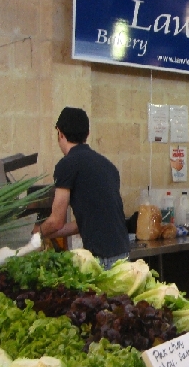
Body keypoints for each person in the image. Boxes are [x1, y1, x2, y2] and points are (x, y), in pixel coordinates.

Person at [33, 107, 130, 268]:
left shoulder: (67, 164)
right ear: (88, 133)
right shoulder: (107, 165)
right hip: (123, 254)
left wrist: (38, 232)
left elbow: (56, 221)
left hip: (102, 258)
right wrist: (48, 234)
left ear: (60, 133)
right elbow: (86, 221)